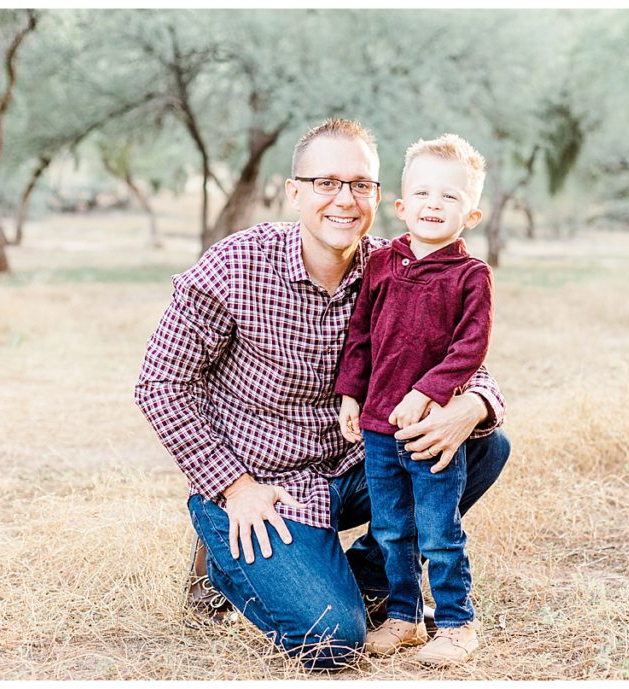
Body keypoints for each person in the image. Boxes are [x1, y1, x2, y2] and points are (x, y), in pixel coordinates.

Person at [134, 118, 510, 670]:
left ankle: (359, 577)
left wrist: (472, 406)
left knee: (483, 445)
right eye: (325, 183)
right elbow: (161, 384)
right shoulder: (236, 266)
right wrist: (235, 488)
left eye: (361, 185)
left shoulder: (396, 265)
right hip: (267, 486)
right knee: (331, 641)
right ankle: (224, 554)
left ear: (381, 198)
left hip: (361, 466)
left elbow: (467, 361)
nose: (344, 200)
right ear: (294, 192)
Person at [334, 134, 491, 666]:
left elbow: (471, 348)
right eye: (422, 194)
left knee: (438, 529)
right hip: (378, 428)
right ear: (401, 206)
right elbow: (360, 335)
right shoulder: (381, 265)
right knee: (391, 530)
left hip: (429, 432)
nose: (433, 205)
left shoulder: (470, 276)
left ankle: (456, 624)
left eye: (449, 197)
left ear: (470, 215)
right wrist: (351, 394)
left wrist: (429, 393)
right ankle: (404, 618)